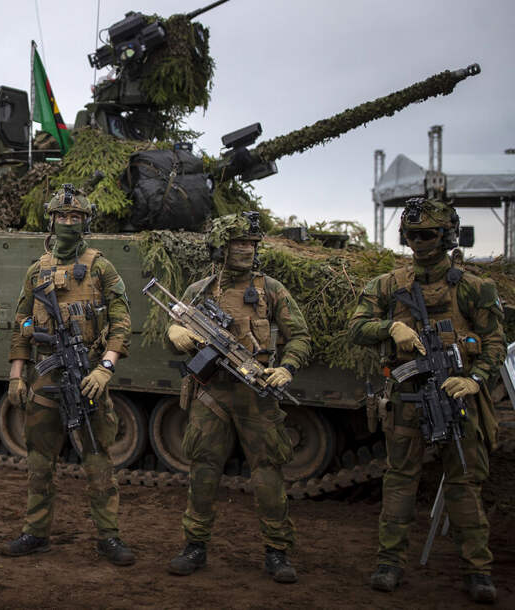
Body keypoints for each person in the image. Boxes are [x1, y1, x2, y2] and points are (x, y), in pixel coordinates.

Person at [348, 198, 503, 604]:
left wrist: (475, 379)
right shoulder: (387, 285)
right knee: (400, 480)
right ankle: (389, 563)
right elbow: (357, 327)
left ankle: (478, 570)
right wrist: (391, 327)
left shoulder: (474, 288)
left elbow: (495, 343)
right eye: (413, 235)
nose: (419, 243)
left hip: (456, 398)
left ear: (447, 235)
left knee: (464, 483)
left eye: (428, 235)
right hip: (408, 398)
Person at [165, 211, 310, 583]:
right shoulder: (199, 291)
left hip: (255, 395)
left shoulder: (270, 289)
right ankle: (194, 545)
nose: (246, 249)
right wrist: (174, 334)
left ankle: (277, 551)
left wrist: (287, 367)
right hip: (211, 394)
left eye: (251, 243)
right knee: (203, 470)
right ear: (221, 247)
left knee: (268, 472)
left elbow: (299, 336)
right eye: (238, 242)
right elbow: (177, 327)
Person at [0, 184, 136, 566]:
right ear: (52, 220)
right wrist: (16, 374)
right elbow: (21, 325)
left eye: (76, 217)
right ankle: (35, 533)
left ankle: (108, 537)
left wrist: (105, 367)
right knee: (39, 463)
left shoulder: (101, 268)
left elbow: (122, 323)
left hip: (87, 375)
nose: (68, 223)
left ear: (85, 222)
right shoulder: (36, 270)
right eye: (62, 216)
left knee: (98, 461)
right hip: (46, 378)